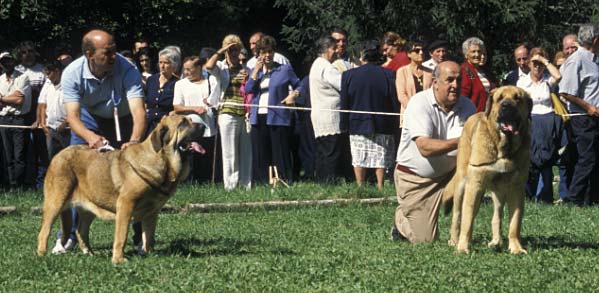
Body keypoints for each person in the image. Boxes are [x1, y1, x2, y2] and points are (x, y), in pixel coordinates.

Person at [393, 61, 476, 243]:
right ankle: (401, 219)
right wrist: (463, 141)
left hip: (451, 175)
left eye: (459, 80)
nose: (455, 85)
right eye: (450, 80)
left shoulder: (468, 107)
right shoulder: (419, 103)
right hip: (416, 180)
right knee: (425, 240)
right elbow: (425, 147)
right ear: (435, 83)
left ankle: (459, 235)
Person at [62, 29, 146, 151]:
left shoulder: (129, 69)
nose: (114, 56)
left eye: (114, 50)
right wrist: (90, 137)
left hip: (122, 120)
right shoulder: (71, 74)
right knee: (78, 163)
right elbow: (73, 116)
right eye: (107, 52)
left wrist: (134, 141)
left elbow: (139, 111)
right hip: (88, 120)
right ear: (89, 55)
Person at [340, 40, 400, 190]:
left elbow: (344, 102)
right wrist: (395, 122)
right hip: (383, 122)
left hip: (357, 122)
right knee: (381, 155)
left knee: (359, 155)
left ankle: (360, 186)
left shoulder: (348, 75)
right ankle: (380, 186)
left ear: (362, 55)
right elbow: (393, 100)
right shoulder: (388, 74)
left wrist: (343, 124)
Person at [246, 35, 302, 184]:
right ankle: (261, 183)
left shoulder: (284, 69)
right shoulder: (255, 71)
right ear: (259, 54)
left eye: (270, 51)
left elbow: (299, 84)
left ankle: (284, 180)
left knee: (280, 151)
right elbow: (248, 89)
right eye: (264, 52)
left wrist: (293, 95)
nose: (267, 55)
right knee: (260, 151)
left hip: (278, 116)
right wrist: (256, 72)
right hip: (258, 116)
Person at [37, 60, 76, 254]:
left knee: (69, 166)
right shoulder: (47, 86)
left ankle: (70, 234)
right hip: (51, 129)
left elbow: (74, 106)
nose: (48, 75)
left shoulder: (66, 84)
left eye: (50, 71)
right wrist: (43, 123)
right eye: (45, 71)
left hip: (67, 129)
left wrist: (67, 122)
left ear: (57, 70)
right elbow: (42, 105)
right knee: (53, 163)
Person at [558, 24, 599, 206]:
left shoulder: (594, 59)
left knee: (594, 158)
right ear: (596, 40)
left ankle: (591, 198)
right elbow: (565, 91)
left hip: (594, 117)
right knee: (586, 158)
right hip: (583, 118)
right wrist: (588, 107)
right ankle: (574, 199)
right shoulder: (577, 60)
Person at [205, 34, 252, 191]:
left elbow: (251, 88)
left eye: (236, 50)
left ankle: (246, 185)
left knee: (245, 151)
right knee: (229, 152)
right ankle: (230, 186)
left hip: (244, 114)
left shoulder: (246, 69)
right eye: (230, 50)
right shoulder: (221, 67)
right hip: (227, 112)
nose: (233, 53)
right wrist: (221, 51)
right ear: (226, 51)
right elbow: (208, 67)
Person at [516, 47, 562, 203]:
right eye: (534, 63)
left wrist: (543, 60)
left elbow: (558, 75)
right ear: (528, 63)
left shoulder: (548, 80)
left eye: (540, 64)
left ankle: (546, 196)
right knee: (530, 159)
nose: (537, 67)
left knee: (547, 160)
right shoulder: (522, 82)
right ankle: (528, 195)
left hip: (548, 121)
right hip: (531, 121)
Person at [309, 36, 352, 183]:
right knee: (331, 153)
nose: (336, 52)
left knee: (322, 152)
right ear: (327, 49)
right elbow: (343, 85)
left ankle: (322, 181)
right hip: (330, 116)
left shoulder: (316, 64)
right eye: (334, 48)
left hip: (319, 115)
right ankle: (328, 182)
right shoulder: (327, 67)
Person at [173, 55, 219, 183]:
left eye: (189, 69)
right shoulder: (180, 84)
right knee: (192, 159)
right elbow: (177, 107)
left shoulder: (209, 81)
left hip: (209, 127)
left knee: (207, 158)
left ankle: (208, 182)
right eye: (185, 69)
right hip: (190, 129)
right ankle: (191, 183)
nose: (186, 72)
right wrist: (195, 109)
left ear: (199, 67)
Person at [0, 51, 32, 190]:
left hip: (19, 119)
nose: (6, 64)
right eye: (3, 62)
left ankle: (19, 185)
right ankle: (11, 184)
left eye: (8, 61)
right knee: (8, 155)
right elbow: (14, 98)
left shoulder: (23, 77)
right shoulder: (0, 79)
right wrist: (10, 97)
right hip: (4, 118)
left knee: (19, 155)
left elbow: (19, 100)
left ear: (13, 61)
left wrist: (2, 98)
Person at [396, 39, 433, 128]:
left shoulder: (430, 72)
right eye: (416, 51)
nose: (421, 52)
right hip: (409, 115)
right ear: (409, 54)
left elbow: (433, 94)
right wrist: (415, 109)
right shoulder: (402, 71)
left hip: (427, 115)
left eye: (422, 50)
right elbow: (401, 95)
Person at [145, 47, 180, 135]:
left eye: (166, 63)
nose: (162, 66)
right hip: (149, 125)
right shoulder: (151, 80)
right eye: (160, 62)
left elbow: (178, 106)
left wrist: (170, 115)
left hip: (166, 126)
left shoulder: (178, 83)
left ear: (173, 65)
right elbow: (145, 101)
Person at [460, 37, 497, 112]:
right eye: (473, 52)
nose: (477, 54)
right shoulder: (464, 71)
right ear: (466, 55)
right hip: (472, 116)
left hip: (487, 114)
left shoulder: (486, 71)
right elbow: (462, 97)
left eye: (479, 51)